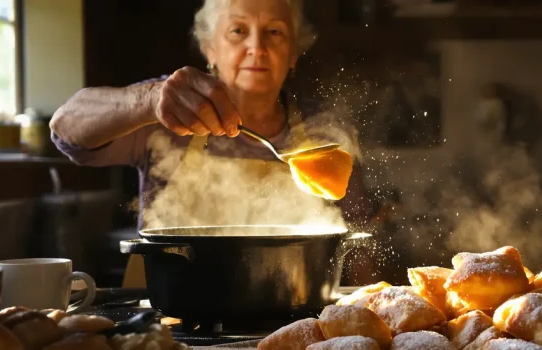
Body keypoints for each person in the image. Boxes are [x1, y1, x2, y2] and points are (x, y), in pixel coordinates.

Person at [50, 0, 372, 232]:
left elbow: (357, 241)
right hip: (171, 312)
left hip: (292, 305)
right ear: (210, 49)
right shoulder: (167, 104)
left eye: (274, 32)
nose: (256, 47)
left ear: (292, 55)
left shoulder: (326, 131)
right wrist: (148, 100)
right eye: (237, 30)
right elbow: (65, 127)